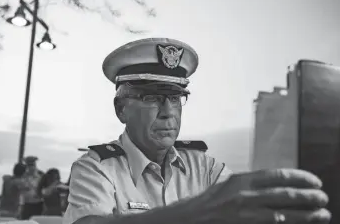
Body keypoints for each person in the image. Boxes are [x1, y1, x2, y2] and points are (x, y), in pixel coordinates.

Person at [63, 38, 331, 224]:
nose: (168, 111)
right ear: (121, 109)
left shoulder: (204, 167)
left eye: (176, 98)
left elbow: (240, 207)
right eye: (151, 98)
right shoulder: (96, 168)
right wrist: (193, 214)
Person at [20, 156, 44, 220]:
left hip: (38, 204)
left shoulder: (41, 175)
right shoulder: (22, 176)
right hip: (27, 204)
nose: (31, 167)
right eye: (29, 165)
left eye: (32, 165)